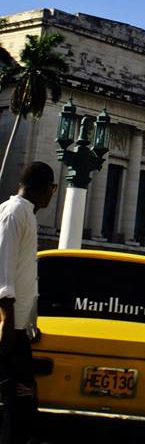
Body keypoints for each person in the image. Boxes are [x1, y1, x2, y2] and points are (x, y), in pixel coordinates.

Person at [0, 161, 57, 444]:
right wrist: (6, 320)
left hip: (19, 326)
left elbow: (24, 276)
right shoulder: (13, 213)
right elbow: (4, 268)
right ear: (48, 188)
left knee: (23, 395)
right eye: (52, 189)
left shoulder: (27, 215)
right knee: (13, 396)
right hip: (9, 325)